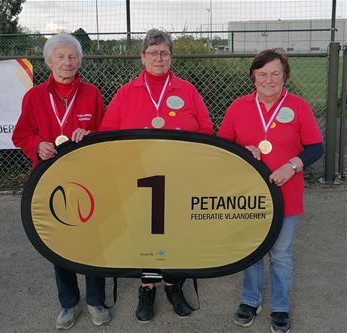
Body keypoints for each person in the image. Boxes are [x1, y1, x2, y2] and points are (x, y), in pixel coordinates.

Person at [99, 28, 214, 322]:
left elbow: (206, 132)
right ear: (142, 57)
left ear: (171, 56)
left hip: (179, 180)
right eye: (153, 53)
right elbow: (107, 134)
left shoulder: (187, 90)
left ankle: (173, 286)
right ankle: (147, 287)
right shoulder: (126, 92)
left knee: (177, 234)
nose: (158, 58)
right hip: (139, 181)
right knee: (143, 235)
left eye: (164, 52)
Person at [218, 49, 323, 333]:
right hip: (248, 195)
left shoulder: (299, 106)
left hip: (286, 192)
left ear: (285, 76)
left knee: (280, 253)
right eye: (262, 74)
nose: (269, 79)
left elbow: (316, 147)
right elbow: (221, 146)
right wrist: (241, 150)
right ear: (253, 77)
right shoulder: (238, 106)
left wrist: (293, 165)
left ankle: (280, 306)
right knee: (252, 250)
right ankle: (250, 301)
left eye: (275, 73)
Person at [12, 33, 111, 330]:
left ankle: (95, 300)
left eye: (72, 57)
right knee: (59, 241)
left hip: (88, 180)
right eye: (60, 57)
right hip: (50, 182)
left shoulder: (92, 93)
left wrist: (91, 135)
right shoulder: (34, 97)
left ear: (79, 60)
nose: (67, 63)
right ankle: (68, 303)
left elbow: (106, 134)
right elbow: (21, 135)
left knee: (94, 241)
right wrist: (37, 144)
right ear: (49, 61)